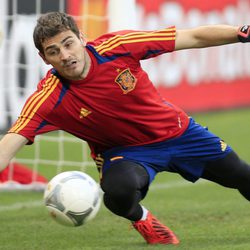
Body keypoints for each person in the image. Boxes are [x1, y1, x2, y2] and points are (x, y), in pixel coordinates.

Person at [0, 12, 250, 245]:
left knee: (242, 176)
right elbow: (9, 144)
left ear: (82, 39)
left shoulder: (117, 48)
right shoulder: (48, 99)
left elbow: (192, 36)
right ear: (45, 59)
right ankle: (142, 219)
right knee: (118, 191)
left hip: (180, 134)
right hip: (127, 154)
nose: (65, 55)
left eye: (68, 43)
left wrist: (241, 32)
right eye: (53, 51)